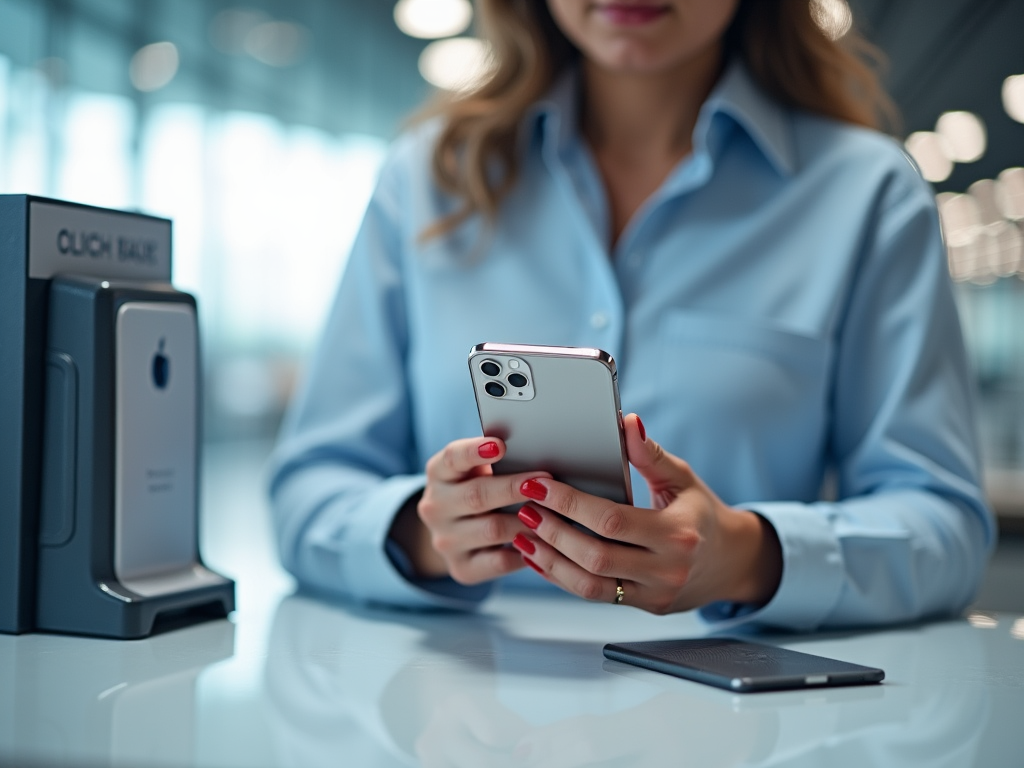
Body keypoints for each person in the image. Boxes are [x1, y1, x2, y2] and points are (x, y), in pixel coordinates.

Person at [267, 0, 995, 630]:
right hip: (458, 721)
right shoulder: (425, 181)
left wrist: (747, 556)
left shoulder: (866, 195)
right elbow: (308, 493)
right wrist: (424, 535)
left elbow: (945, 526)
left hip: (748, 730)